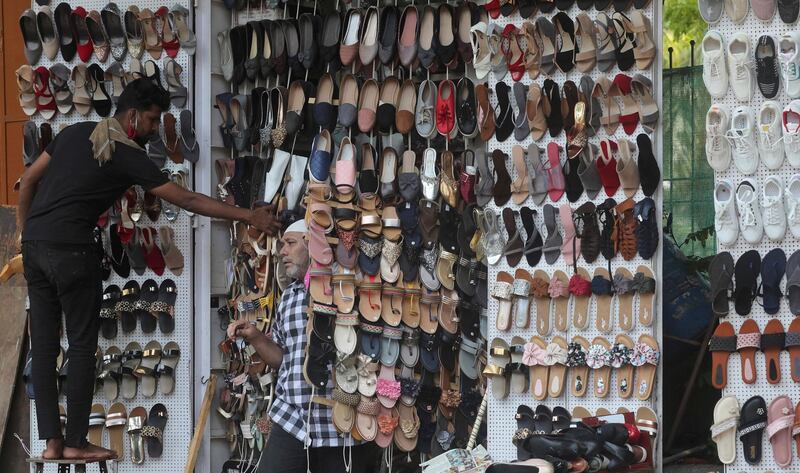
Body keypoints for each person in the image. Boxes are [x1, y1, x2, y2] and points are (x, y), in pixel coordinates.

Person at [17, 79, 281, 461]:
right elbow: (187, 198)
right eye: (154, 121)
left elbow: (27, 180)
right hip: (71, 251)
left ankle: (53, 442)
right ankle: (74, 441)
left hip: (36, 248)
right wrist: (247, 214)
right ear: (132, 115)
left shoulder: (75, 133)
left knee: (42, 348)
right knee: (80, 346)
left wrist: (27, 232)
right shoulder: (124, 154)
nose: (155, 130)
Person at [227, 220, 377, 473]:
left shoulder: (347, 288)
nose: (282, 251)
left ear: (314, 245)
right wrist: (256, 338)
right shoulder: (289, 296)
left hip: (339, 419)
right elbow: (283, 360)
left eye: (290, 243)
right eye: (282, 245)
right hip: (293, 417)